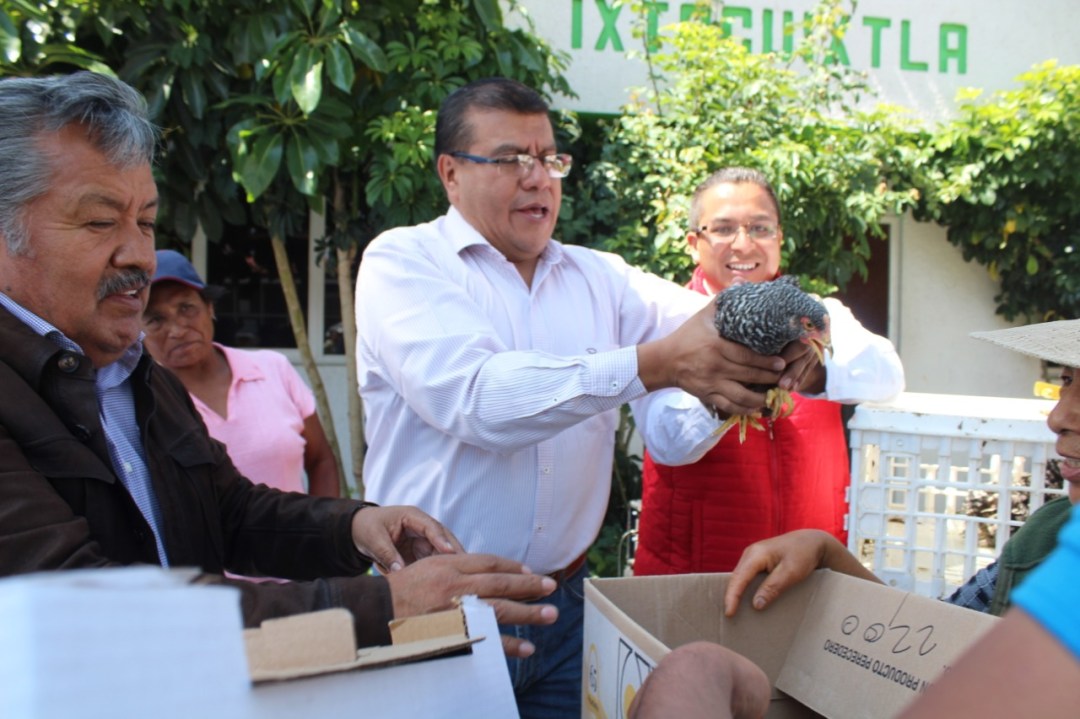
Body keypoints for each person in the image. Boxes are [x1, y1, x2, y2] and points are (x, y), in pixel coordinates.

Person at [0, 71, 560, 658]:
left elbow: (230, 512)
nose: (138, 255)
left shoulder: (138, 375)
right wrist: (387, 605)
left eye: (145, 221)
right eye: (99, 222)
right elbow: (85, 611)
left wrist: (355, 528)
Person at [354, 78, 815, 717]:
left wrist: (797, 337)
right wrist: (654, 363)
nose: (537, 178)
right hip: (437, 611)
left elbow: (712, 316)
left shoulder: (599, 277)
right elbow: (477, 399)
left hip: (564, 609)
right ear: (450, 173)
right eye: (510, 159)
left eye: (549, 159)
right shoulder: (404, 262)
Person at [631, 318, 1080, 718]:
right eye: (1066, 380)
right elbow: (941, 644)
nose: (1059, 416)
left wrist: (694, 679)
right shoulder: (1048, 536)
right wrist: (828, 555)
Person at [634, 167, 905, 576]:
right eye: (723, 229)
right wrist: (725, 392)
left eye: (760, 228)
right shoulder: (667, 323)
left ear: (779, 238)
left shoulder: (818, 314)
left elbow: (889, 376)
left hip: (808, 572)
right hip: (697, 576)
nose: (743, 244)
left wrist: (814, 371)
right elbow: (665, 441)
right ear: (694, 244)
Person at [143, 249, 339, 497]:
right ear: (137, 332)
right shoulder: (145, 401)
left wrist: (323, 521)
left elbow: (321, 460)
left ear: (209, 307)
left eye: (186, 308)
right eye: (155, 319)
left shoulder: (273, 369)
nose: (177, 330)